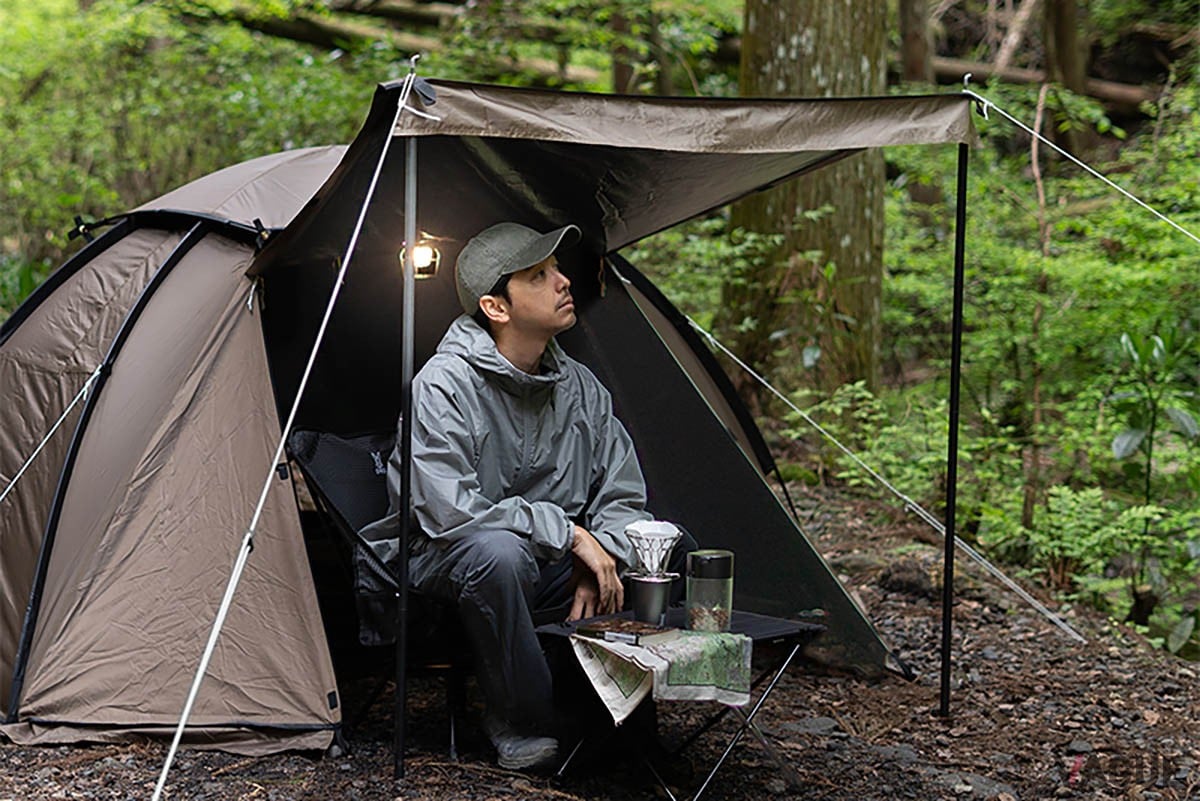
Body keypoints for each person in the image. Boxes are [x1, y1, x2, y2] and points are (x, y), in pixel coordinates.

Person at [397, 221, 661, 770]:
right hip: (448, 558)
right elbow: (449, 512)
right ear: (497, 308)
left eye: (557, 269)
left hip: (549, 561)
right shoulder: (443, 385)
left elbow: (622, 492)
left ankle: (613, 718)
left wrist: (601, 555)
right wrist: (567, 534)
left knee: (665, 548)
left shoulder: (581, 388)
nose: (563, 281)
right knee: (500, 553)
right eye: (539, 276)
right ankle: (521, 722)